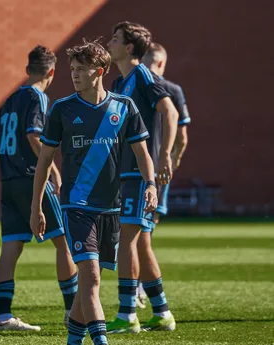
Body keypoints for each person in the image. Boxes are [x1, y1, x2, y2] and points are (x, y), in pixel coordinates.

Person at [30, 39, 157, 345]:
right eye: (72, 69)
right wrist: (36, 208)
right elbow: (45, 161)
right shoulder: (62, 109)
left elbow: (142, 154)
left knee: (89, 282)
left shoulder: (123, 107)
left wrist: (151, 184)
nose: (73, 74)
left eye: (81, 69)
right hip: (76, 205)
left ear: (99, 71)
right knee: (93, 279)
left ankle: (73, 341)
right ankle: (101, 341)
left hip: (111, 208)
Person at [0, 45, 78, 332]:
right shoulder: (39, 98)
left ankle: (3, 317)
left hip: (9, 183)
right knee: (64, 241)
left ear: (27, 70)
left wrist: (8, 160)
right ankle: (72, 311)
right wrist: (54, 172)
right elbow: (35, 137)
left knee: (11, 247)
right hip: (31, 178)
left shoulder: (10, 99)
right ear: (51, 71)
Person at [106, 22, 178, 333]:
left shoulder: (143, 76)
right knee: (143, 243)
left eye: (115, 38)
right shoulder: (121, 82)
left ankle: (127, 315)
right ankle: (162, 313)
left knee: (127, 240)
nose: (109, 42)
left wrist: (164, 155)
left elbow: (170, 111)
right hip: (125, 171)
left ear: (129, 48)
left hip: (139, 172)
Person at [142, 42, 191, 225]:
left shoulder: (128, 84)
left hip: (131, 165)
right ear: (161, 63)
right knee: (150, 221)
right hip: (159, 166)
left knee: (127, 223)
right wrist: (173, 159)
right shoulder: (173, 90)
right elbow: (182, 138)